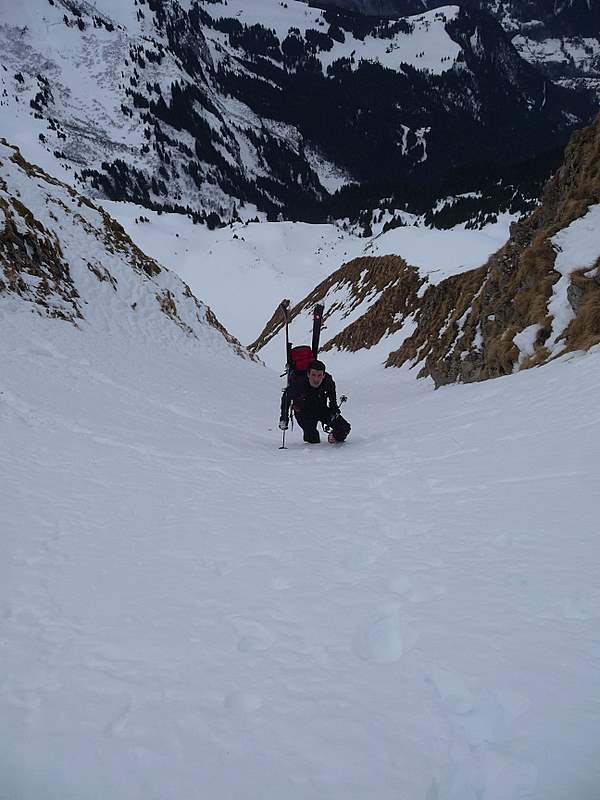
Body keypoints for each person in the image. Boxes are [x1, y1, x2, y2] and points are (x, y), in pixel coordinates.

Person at [279, 360, 351, 444]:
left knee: (344, 428)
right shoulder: (298, 383)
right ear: (308, 374)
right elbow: (286, 398)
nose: (316, 379)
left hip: (321, 409)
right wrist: (284, 418)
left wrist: (334, 410)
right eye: (313, 375)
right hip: (304, 412)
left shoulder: (328, 381)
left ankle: (332, 436)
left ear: (324, 375)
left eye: (319, 375)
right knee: (313, 440)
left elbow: (332, 399)